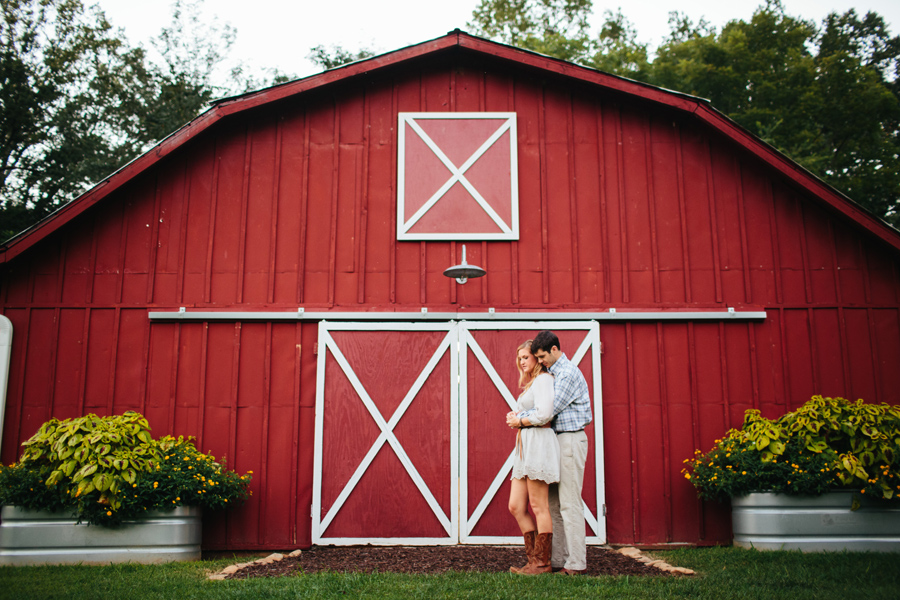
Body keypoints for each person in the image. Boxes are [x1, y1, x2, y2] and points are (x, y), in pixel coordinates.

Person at [507, 330, 591, 575]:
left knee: (569, 503)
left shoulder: (565, 373)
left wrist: (517, 418)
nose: (539, 361)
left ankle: (576, 564)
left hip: (570, 439)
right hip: (556, 440)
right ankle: (556, 559)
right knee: (553, 505)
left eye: (541, 356)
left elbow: (548, 411)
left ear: (554, 349)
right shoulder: (552, 374)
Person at [505, 340, 560, 575]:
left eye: (526, 357)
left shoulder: (545, 380)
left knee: (538, 505)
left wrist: (520, 419)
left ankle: (542, 563)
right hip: (525, 445)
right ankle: (533, 559)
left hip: (538, 443)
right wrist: (516, 417)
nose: (522, 361)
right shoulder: (532, 384)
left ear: (537, 358)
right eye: (520, 358)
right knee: (516, 506)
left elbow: (545, 414)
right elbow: (532, 412)